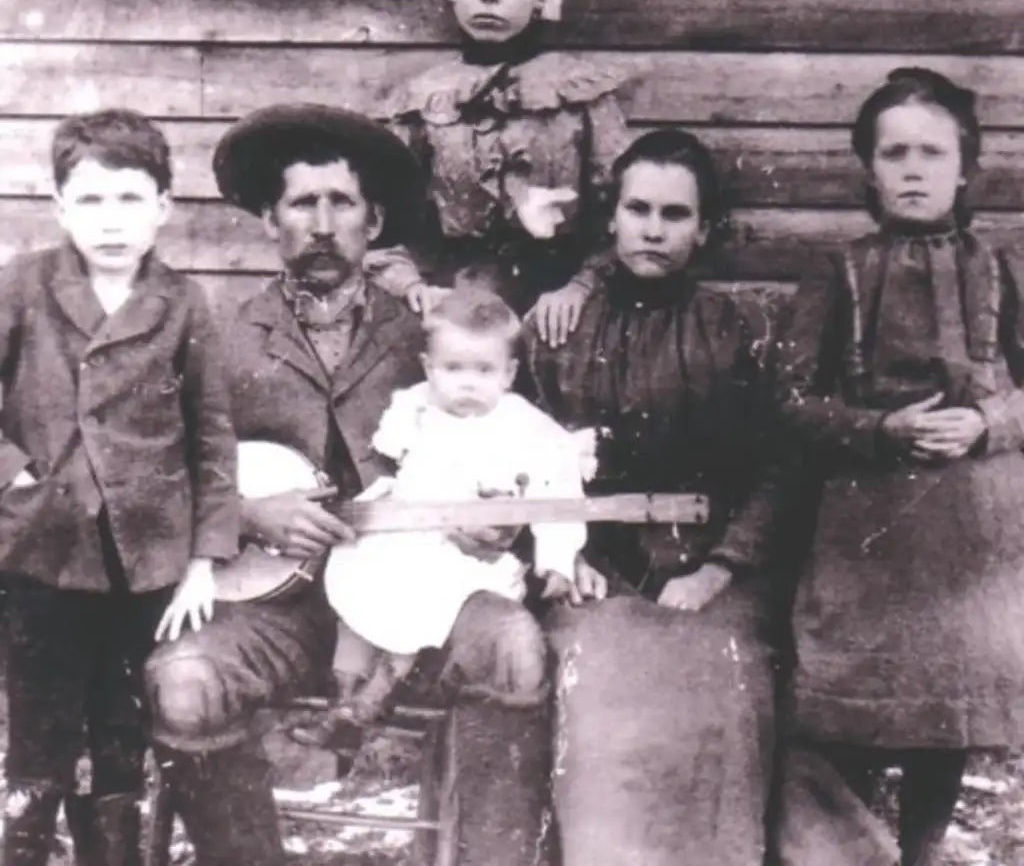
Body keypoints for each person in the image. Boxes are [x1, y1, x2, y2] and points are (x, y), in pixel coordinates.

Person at [143, 103, 597, 866]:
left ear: (374, 218)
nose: (322, 224)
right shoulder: (217, 338)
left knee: (515, 650)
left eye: (341, 202)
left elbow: (521, 451)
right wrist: (249, 511)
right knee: (182, 685)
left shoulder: (432, 338)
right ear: (268, 219)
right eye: (301, 203)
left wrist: (499, 523)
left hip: (422, 594)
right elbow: (154, 474)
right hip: (272, 605)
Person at [773, 67, 1024, 866]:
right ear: (869, 171)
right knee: (855, 707)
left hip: (970, 532)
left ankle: (921, 851)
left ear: (964, 168)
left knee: (945, 710)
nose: (913, 168)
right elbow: (787, 402)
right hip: (863, 531)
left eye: (931, 152)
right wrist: (879, 428)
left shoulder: (1003, 268)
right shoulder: (836, 271)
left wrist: (987, 421)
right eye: (894, 153)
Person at [522, 127, 786, 865]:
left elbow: (777, 463)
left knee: (724, 686)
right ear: (611, 219)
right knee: (595, 685)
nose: (653, 228)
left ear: (702, 230)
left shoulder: (738, 330)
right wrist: (565, 553)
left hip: (711, 569)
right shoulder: (558, 325)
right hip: (591, 566)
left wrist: (720, 567)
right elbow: (518, 452)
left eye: (675, 214)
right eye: (638, 208)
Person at [0, 109, 238, 866]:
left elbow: (211, 436)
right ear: (60, 206)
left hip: (146, 559)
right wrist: (17, 474)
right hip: (42, 548)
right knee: (40, 725)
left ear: (165, 206)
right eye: (92, 201)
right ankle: (26, 844)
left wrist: (203, 557)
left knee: (119, 725)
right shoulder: (22, 288)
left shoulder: (183, 303)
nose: (112, 222)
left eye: (132, 199)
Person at [299, 287, 587, 743]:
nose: (468, 384)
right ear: (430, 368)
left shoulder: (523, 425)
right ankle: (344, 692)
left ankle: (373, 699)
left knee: (428, 604)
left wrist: (557, 557)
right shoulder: (416, 405)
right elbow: (389, 450)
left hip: (463, 553)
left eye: (484, 370)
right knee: (357, 586)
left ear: (509, 373)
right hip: (403, 535)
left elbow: (559, 488)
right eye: (453, 369)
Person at [379, 0, 633, 339]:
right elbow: (379, 218)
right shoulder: (421, 100)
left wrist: (580, 286)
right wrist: (413, 288)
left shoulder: (581, 94)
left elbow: (626, 209)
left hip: (565, 312)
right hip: (455, 315)